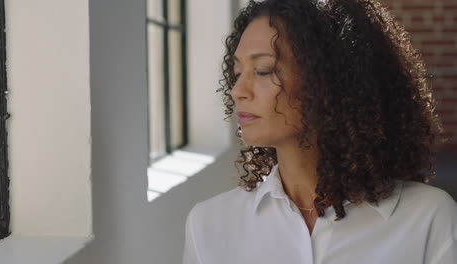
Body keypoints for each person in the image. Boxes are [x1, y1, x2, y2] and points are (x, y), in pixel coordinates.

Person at [182, 0, 457, 263]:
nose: (237, 91)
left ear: (328, 82)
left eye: (263, 70)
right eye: (237, 72)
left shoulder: (429, 219)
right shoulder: (209, 225)